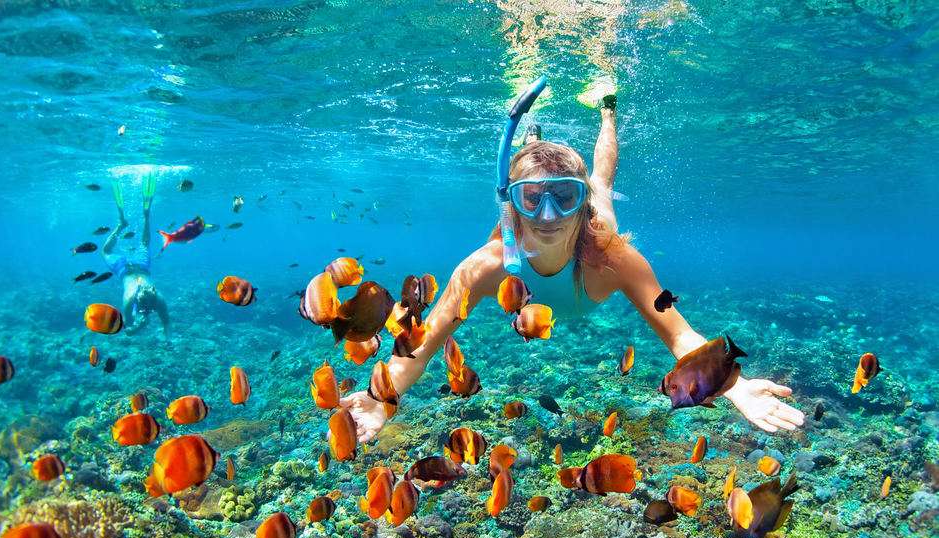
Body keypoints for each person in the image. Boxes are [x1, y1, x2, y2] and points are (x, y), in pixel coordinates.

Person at [340, 91, 805, 442]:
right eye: (531, 199)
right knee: (537, 165)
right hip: (513, 234)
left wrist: (731, 384)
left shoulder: (613, 258)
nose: (548, 217)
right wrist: (384, 396)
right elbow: (423, 341)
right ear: (513, 206)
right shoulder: (486, 266)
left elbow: (680, 334)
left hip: (597, 223)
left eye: (565, 197)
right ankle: (533, 140)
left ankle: (606, 111)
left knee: (602, 179)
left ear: (582, 207)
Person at [102, 171, 170, 337]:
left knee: (142, 244)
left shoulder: (151, 299)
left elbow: (163, 323)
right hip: (125, 269)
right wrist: (140, 326)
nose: (143, 309)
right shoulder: (136, 298)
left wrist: (140, 324)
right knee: (107, 251)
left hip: (139, 266)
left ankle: (130, 222)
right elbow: (130, 329)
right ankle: (133, 220)